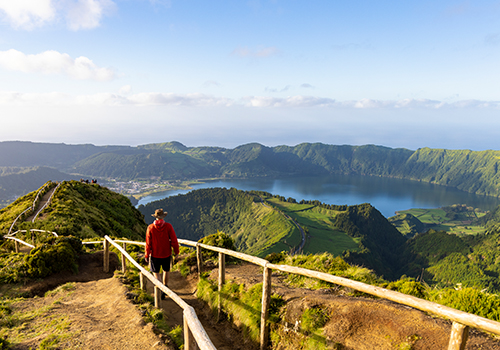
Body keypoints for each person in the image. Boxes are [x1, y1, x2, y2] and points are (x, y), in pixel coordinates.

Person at [145, 208, 179, 299]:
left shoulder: (150, 227)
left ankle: (161, 289)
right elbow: (174, 240)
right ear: (163, 216)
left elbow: (148, 243)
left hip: (155, 254)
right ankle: (165, 286)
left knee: (156, 272)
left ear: (155, 217)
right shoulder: (168, 226)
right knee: (166, 270)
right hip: (166, 253)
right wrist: (176, 251)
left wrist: (147, 255)